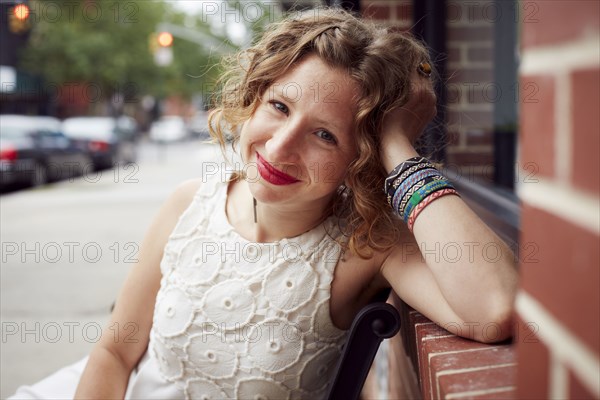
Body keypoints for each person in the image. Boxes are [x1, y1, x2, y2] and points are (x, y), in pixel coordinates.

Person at [11, 8, 518, 400]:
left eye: (324, 134)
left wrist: (397, 144)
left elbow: (493, 307)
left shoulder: (368, 246)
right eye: (279, 106)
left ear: (359, 157)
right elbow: (115, 353)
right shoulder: (188, 203)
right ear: (255, 96)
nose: (278, 148)